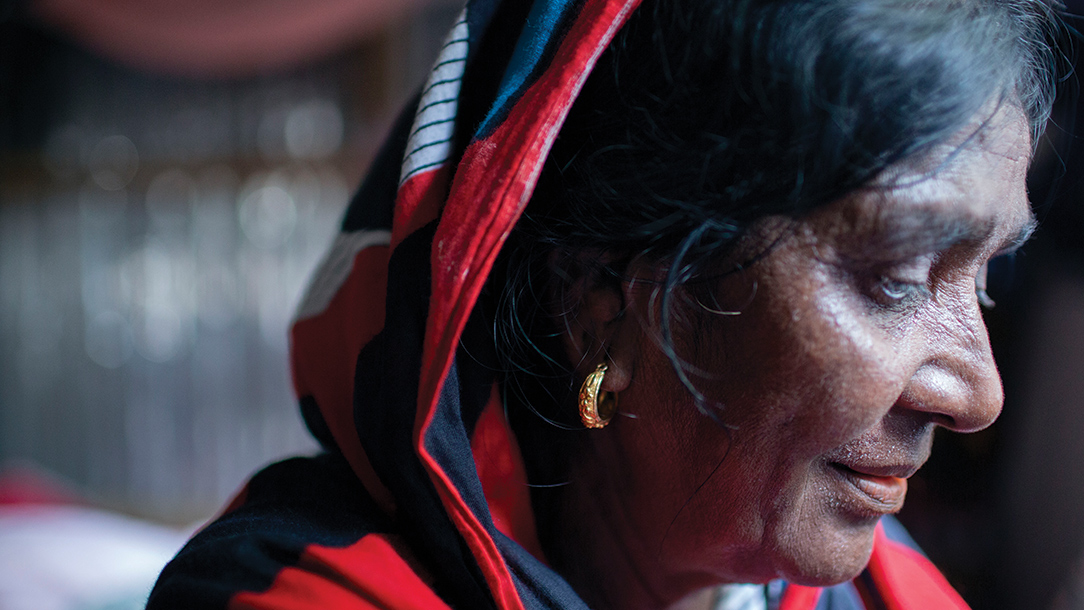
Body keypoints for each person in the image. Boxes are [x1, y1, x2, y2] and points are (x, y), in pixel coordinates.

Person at [147, 0, 1065, 608]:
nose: (979, 394)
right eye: (896, 275)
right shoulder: (300, 595)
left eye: (984, 277)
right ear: (600, 305)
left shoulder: (896, 598)